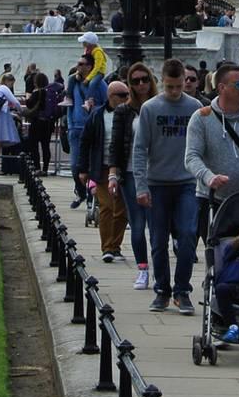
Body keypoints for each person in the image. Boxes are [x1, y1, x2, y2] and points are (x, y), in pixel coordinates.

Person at [130, 58, 204, 315]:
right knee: (158, 239)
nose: (174, 92)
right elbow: (140, 149)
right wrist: (141, 186)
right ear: (162, 82)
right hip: (157, 183)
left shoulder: (195, 107)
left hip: (187, 182)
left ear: (185, 81)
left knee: (188, 235)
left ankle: (182, 289)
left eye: (178, 86)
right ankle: (162, 288)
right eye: (169, 87)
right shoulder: (150, 108)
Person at [184, 63, 239, 246]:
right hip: (211, 198)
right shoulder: (201, 117)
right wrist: (209, 177)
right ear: (221, 88)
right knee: (217, 252)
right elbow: (191, 157)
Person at [75, 78, 131, 262]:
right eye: (122, 95)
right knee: (106, 206)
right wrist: (83, 169)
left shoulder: (131, 114)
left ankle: (115, 246)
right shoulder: (98, 115)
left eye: (127, 95)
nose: (126, 98)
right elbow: (85, 141)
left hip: (124, 168)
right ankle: (107, 247)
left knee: (122, 210)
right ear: (111, 96)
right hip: (102, 167)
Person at [111, 62, 155, 289]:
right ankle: (143, 269)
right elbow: (116, 144)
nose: (141, 85)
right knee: (137, 223)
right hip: (130, 173)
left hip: (157, 174)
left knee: (157, 225)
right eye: (135, 81)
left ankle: (159, 269)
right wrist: (113, 173)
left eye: (144, 80)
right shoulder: (123, 111)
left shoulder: (159, 106)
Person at [67, 54, 108, 206]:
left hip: (92, 129)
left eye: (81, 64)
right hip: (76, 129)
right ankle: (81, 192)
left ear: (90, 67)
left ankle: (91, 196)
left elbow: (106, 103)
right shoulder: (74, 82)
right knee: (74, 166)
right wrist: (70, 125)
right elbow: (70, 104)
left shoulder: (99, 84)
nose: (78, 66)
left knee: (92, 165)